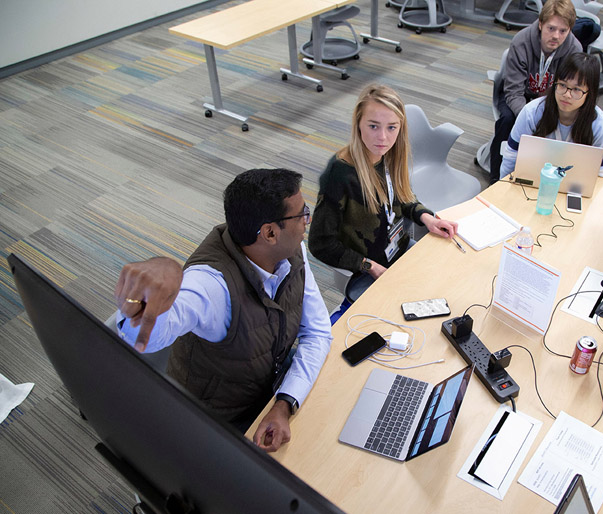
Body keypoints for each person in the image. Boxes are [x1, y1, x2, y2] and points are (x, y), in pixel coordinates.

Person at [114, 168, 332, 452]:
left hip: (267, 393)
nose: (307, 221)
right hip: (214, 424)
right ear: (269, 233)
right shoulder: (209, 284)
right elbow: (143, 339)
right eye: (302, 213)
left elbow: (317, 332)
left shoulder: (290, 251)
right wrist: (140, 296)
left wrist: (284, 402)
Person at [308, 84, 458, 303]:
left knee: (445, 288)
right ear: (358, 124)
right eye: (373, 126)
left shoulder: (390, 154)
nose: (383, 138)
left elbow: (402, 197)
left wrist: (427, 218)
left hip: (400, 249)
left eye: (391, 128)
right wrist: (368, 266)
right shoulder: (340, 174)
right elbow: (320, 243)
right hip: (365, 272)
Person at [489, 0, 582, 183]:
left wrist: (547, 115)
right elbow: (513, 92)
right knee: (507, 120)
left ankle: (547, 176)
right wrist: (531, 118)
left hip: (552, 100)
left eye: (563, 31)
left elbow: (569, 90)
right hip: (517, 95)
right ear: (541, 24)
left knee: (565, 123)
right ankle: (495, 180)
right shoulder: (521, 42)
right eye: (551, 28)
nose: (556, 36)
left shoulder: (574, 50)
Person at [499, 52, 603, 180]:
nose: (566, 95)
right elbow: (511, 156)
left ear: (589, 93)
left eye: (576, 90)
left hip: (575, 190)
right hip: (532, 183)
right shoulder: (532, 112)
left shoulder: (601, 125)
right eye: (562, 85)